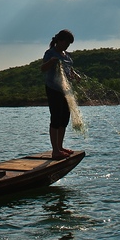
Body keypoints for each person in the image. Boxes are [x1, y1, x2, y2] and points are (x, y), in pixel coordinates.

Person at [41, 29, 76, 159]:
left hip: (65, 91)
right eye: (66, 42)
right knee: (55, 118)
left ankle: (60, 147)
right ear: (59, 41)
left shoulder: (66, 55)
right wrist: (51, 62)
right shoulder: (50, 53)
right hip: (53, 89)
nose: (67, 45)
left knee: (64, 118)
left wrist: (74, 76)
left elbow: (69, 70)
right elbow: (43, 68)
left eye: (69, 44)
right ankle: (55, 150)